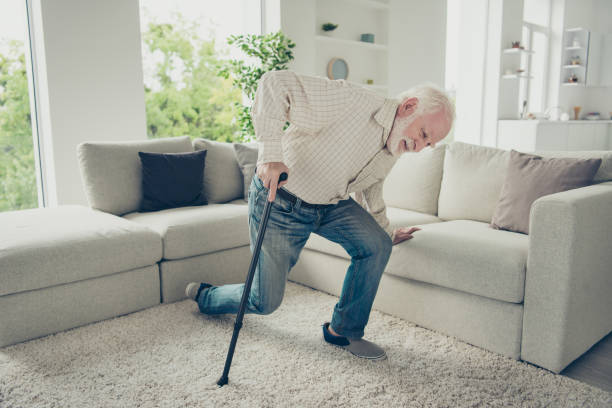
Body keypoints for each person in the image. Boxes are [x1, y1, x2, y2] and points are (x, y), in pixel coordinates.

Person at [186, 70, 454, 360]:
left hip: (329, 206)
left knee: (377, 245)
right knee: (264, 301)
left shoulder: (393, 147)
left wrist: (385, 233)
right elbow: (273, 84)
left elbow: (372, 189)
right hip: (280, 202)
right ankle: (206, 296)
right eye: (424, 134)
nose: (421, 146)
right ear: (408, 107)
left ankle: (343, 331)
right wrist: (270, 155)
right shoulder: (351, 100)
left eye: (429, 144)